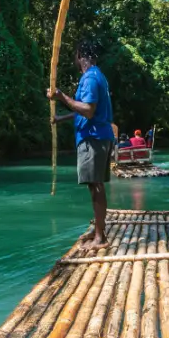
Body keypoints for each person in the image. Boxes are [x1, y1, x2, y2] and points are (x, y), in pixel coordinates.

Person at [48, 38, 114, 251]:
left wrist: (61, 96)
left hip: (93, 138)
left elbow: (87, 109)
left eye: (75, 55)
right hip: (98, 135)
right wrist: (61, 118)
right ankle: (99, 233)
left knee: (95, 186)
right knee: (95, 185)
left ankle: (100, 238)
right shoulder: (97, 76)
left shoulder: (90, 78)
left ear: (80, 56)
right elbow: (84, 109)